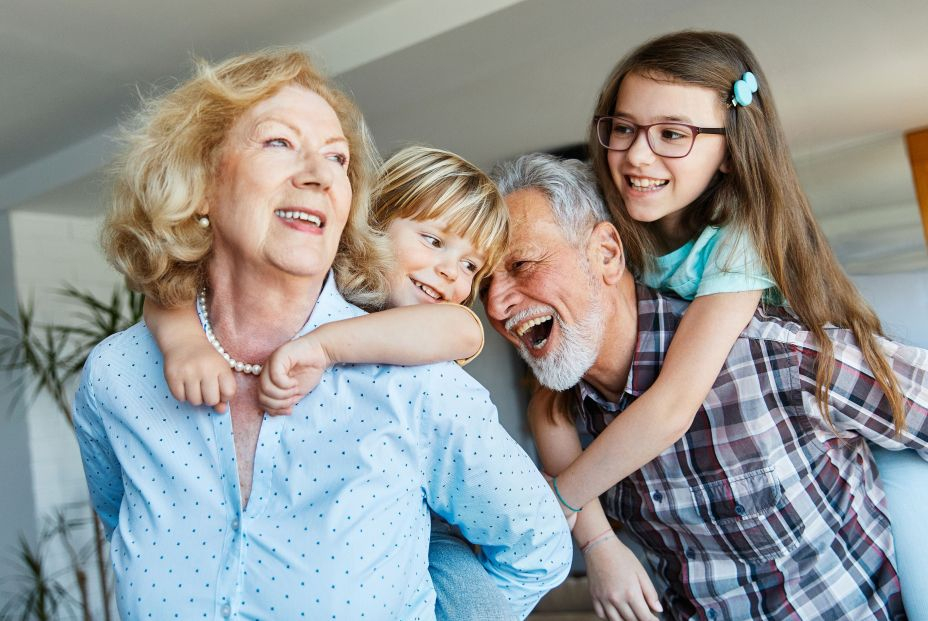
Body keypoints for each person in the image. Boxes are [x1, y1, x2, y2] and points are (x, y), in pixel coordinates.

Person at [73, 49, 571, 620]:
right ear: (200, 181)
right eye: (279, 142)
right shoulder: (119, 375)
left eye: (337, 159)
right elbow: (119, 525)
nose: (318, 173)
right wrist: (183, 336)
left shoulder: (417, 379)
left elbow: (537, 549)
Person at [516, 30, 927, 618]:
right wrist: (598, 542)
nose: (636, 154)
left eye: (673, 135)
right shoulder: (618, 235)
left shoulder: (740, 244)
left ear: (730, 152)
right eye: (625, 127)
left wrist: (562, 501)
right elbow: (547, 407)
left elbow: (675, 403)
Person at [144, 144, 521, 621]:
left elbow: (463, 328)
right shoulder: (316, 279)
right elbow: (172, 285)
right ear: (374, 222)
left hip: (431, 527)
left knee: (480, 608)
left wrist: (323, 348)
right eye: (434, 240)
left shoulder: (439, 324)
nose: (452, 271)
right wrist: (183, 343)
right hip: (314, 519)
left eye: (471, 265)